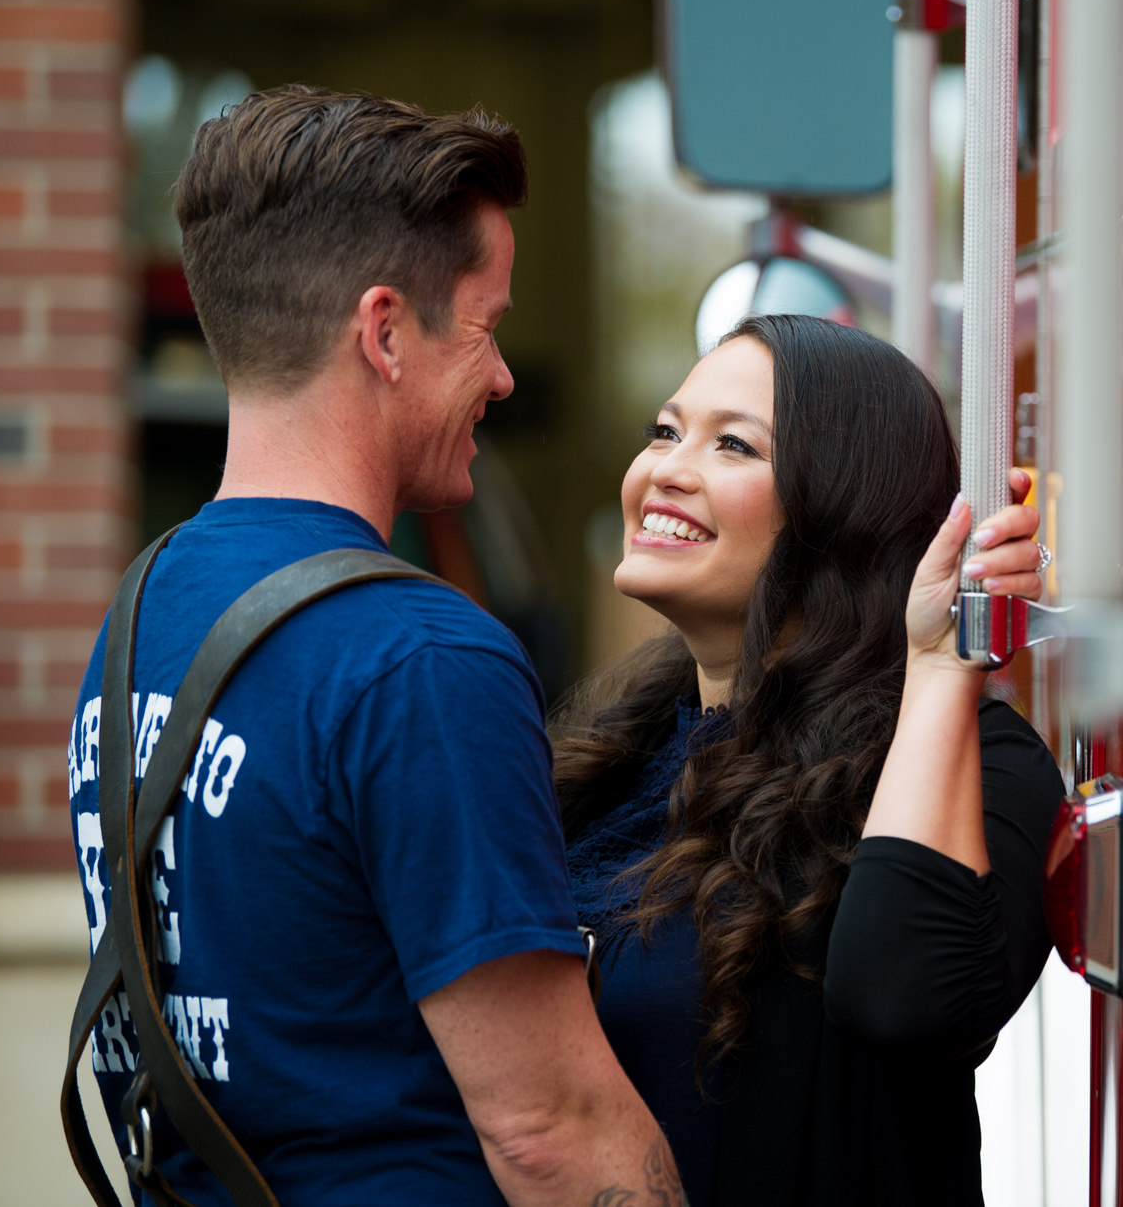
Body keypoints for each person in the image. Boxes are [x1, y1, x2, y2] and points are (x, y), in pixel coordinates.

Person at [66, 86, 684, 1205]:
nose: (500, 376)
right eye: (485, 328)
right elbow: (551, 1128)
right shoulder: (421, 655)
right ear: (385, 330)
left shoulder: (140, 609)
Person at [550, 313, 1067, 1207]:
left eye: (733, 447)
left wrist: (941, 666)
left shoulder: (980, 762)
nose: (666, 469)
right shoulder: (617, 754)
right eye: (666, 431)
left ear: (843, 510)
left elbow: (909, 1000)